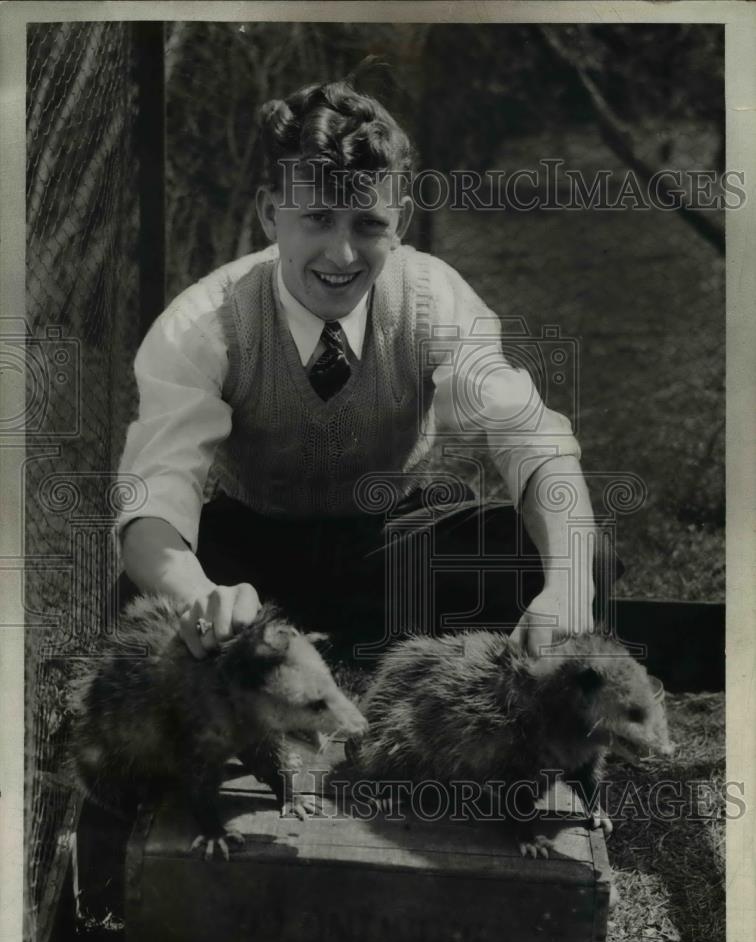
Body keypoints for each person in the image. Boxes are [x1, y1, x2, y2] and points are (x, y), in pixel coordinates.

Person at [116, 74, 618, 663]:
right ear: (271, 213)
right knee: (143, 592)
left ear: (399, 223)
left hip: (391, 546)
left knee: (582, 556)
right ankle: (268, 668)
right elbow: (156, 494)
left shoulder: (432, 297)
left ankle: (524, 718)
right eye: (318, 219)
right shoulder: (205, 321)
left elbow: (529, 436)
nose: (343, 254)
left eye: (368, 224)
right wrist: (201, 595)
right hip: (254, 553)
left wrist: (566, 584)